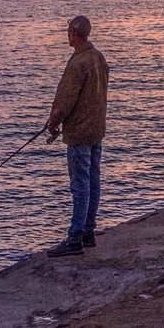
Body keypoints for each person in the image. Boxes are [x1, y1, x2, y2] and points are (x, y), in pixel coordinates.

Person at [42, 14, 108, 258]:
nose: (66, 35)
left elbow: (64, 101)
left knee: (80, 185)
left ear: (74, 34)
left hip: (80, 133)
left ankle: (75, 238)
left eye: (68, 31)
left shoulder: (77, 64)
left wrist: (53, 122)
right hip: (96, 130)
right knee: (93, 182)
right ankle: (88, 232)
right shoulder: (98, 57)